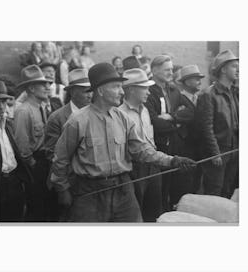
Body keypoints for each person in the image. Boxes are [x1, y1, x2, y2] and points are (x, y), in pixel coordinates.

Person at [50, 62, 196, 222]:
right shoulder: (77, 121)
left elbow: (141, 150)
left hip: (123, 189)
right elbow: (60, 159)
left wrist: (172, 160)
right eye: (116, 87)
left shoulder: (123, 119)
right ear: (100, 91)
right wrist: (62, 190)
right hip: (90, 193)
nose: (122, 91)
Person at [145, 55, 195, 210]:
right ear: (154, 70)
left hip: (175, 146)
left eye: (172, 69)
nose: (170, 73)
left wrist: (172, 117)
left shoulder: (173, 90)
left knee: (175, 187)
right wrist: (178, 124)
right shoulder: (148, 91)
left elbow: (191, 111)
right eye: (167, 69)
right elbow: (154, 123)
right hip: (158, 147)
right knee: (159, 190)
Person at [119, 68, 162, 222]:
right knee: (136, 215)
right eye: (144, 88)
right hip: (135, 170)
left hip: (154, 167)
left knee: (154, 212)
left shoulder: (145, 111)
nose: (149, 92)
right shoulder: (119, 114)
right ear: (130, 89)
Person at [197, 50, 239, 198]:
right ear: (223, 69)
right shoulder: (208, 94)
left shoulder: (235, 92)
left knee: (228, 192)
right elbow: (206, 128)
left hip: (234, 150)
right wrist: (215, 153)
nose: (238, 69)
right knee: (214, 194)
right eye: (234, 66)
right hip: (218, 153)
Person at [14, 65, 52, 221]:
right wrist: (33, 164)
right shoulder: (24, 111)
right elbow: (22, 144)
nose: (47, 87)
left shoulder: (41, 107)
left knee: (48, 204)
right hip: (35, 165)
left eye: (47, 83)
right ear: (31, 88)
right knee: (37, 208)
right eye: (42, 84)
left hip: (46, 161)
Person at [0, 81, 33, 222]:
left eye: (3, 102)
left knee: (15, 219)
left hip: (14, 183)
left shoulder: (8, 124)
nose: (0, 106)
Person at [44, 68, 92, 162]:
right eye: (86, 91)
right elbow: (52, 154)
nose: (90, 95)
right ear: (72, 92)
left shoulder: (97, 113)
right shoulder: (57, 118)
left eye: (91, 91)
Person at [178, 65, 205, 193]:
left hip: (199, 149)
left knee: (196, 183)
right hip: (185, 149)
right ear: (187, 81)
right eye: (197, 79)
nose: (200, 82)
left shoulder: (199, 99)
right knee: (184, 184)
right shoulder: (178, 99)